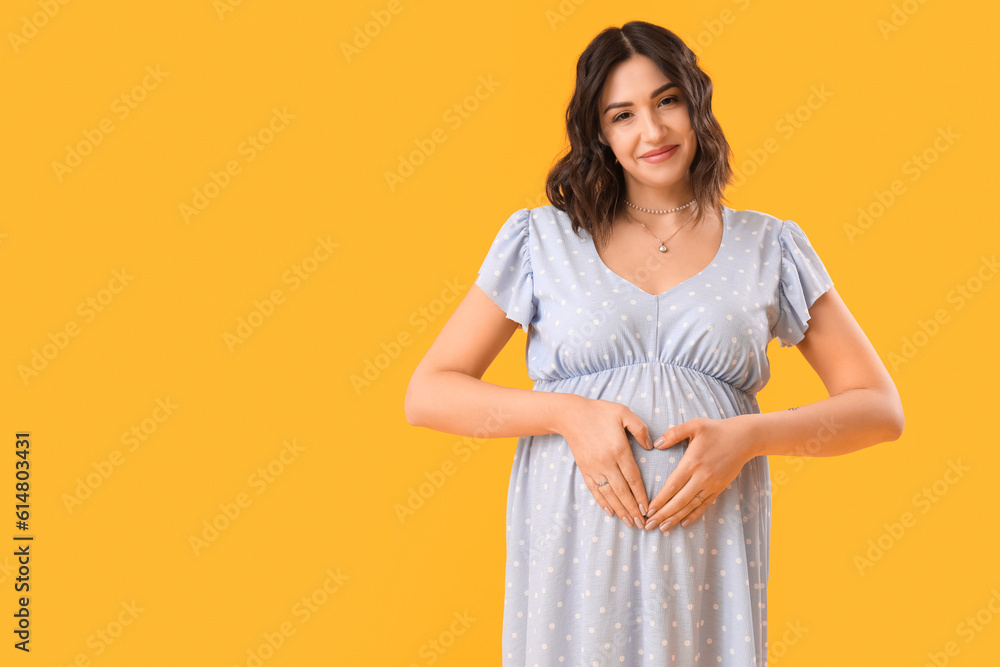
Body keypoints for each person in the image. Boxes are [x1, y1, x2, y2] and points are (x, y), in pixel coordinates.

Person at [404, 20, 904, 666]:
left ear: (695, 102)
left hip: (708, 551)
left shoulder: (768, 246)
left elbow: (878, 408)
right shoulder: (542, 240)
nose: (653, 131)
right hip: (572, 553)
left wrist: (750, 436)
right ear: (600, 133)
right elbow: (428, 391)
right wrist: (566, 413)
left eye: (667, 100)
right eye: (623, 114)